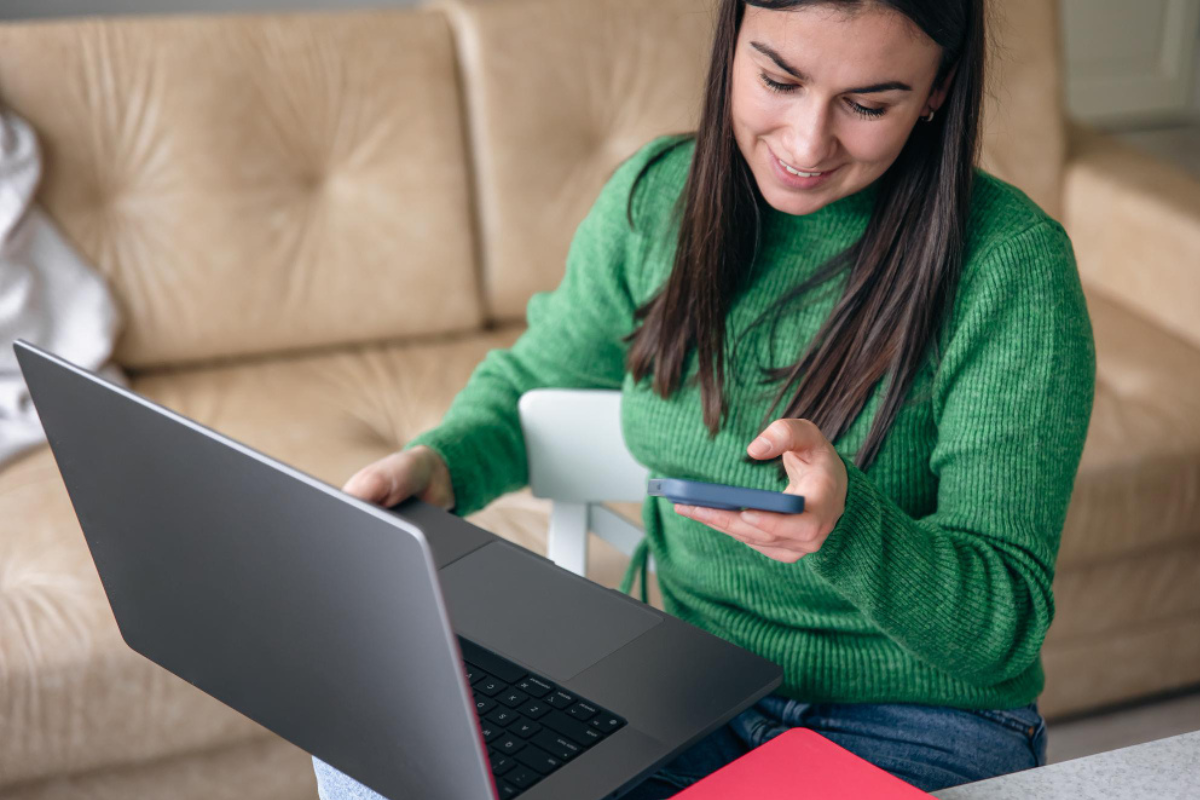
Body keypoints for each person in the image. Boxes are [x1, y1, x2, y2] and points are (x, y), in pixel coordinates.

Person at [314, 0, 1096, 797]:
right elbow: (533, 382)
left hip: (915, 720)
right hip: (686, 687)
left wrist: (846, 528)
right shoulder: (657, 200)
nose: (805, 142)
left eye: (867, 104)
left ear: (938, 91)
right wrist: (439, 465)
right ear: (731, 45)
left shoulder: (1011, 268)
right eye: (778, 79)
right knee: (375, 756)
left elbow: (1003, 628)